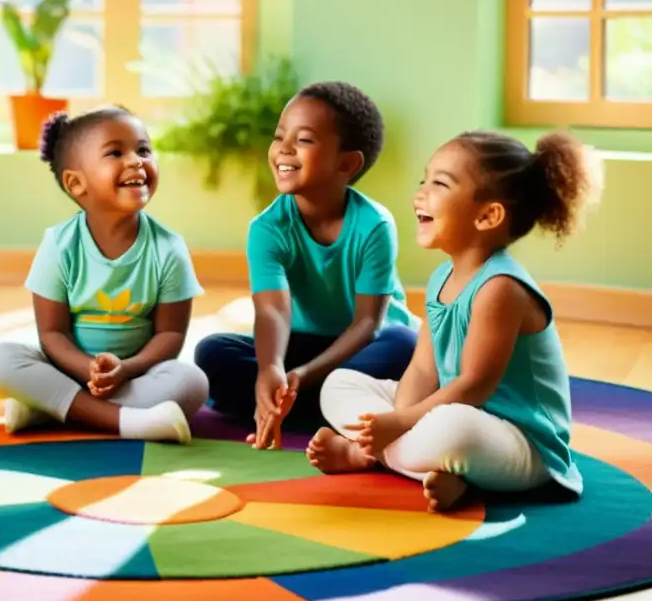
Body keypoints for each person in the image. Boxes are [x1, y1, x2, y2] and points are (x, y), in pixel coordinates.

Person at [309, 130, 602, 512]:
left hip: (519, 444)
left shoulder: (500, 289)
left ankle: (368, 455)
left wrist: (397, 426)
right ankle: (421, 465)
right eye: (424, 180)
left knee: (452, 429)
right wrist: (397, 419)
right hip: (447, 414)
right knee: (338, 384)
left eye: (440, 184)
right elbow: (422, 368)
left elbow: (472, 388)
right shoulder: (440, 279)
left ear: (488, 215)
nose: (421, 194)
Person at [194, 81, 419, 449]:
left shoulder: (374, 224)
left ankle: (318, 402)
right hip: (302, 344)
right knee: (212, 352)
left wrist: (304, 376)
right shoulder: (267, 229)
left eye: (304, 140)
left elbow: (367, 323)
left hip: (367, 344)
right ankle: (337, 407)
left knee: (408, 344)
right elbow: (272, 313)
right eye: (280, 136)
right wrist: (272, 370)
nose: (283, 149)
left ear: (346, 163)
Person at [0, 106, 208, 444]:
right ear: (76, 183)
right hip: (68, 371)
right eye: (116, 152)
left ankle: (47, 409)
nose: (136, 161)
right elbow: (52, 333)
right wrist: (87, 369)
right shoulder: (59, 244)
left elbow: (171, 334)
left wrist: (125, 370)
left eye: (143, 150)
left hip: (134, 376)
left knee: (191, 382)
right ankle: (129, 422)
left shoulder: (168, 248)